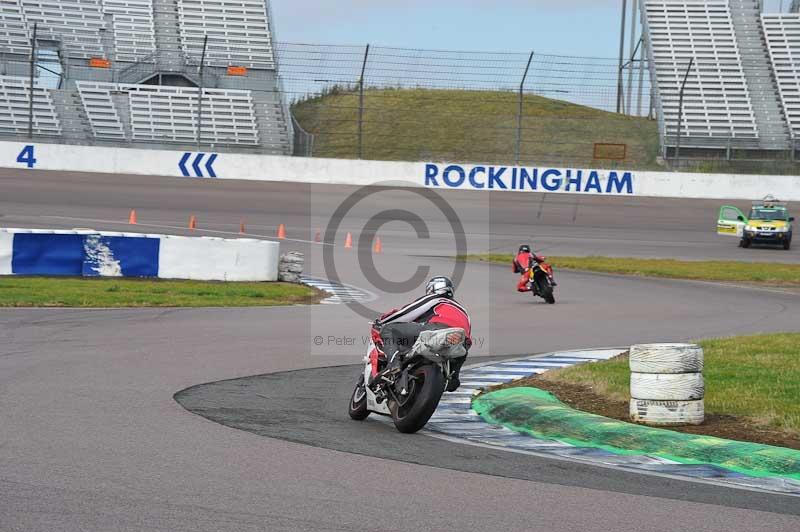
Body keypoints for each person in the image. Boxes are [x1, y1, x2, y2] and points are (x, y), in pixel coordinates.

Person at [373, 276, 472, 392]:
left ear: (431, 289)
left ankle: (393, 365)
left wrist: (382, 322)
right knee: (453, 378)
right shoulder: (464, 311)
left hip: (436, 330)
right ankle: (453, 379)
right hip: (460, 342)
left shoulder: (437, 299)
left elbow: (408, 312)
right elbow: (468, 338)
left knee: (389, 329)